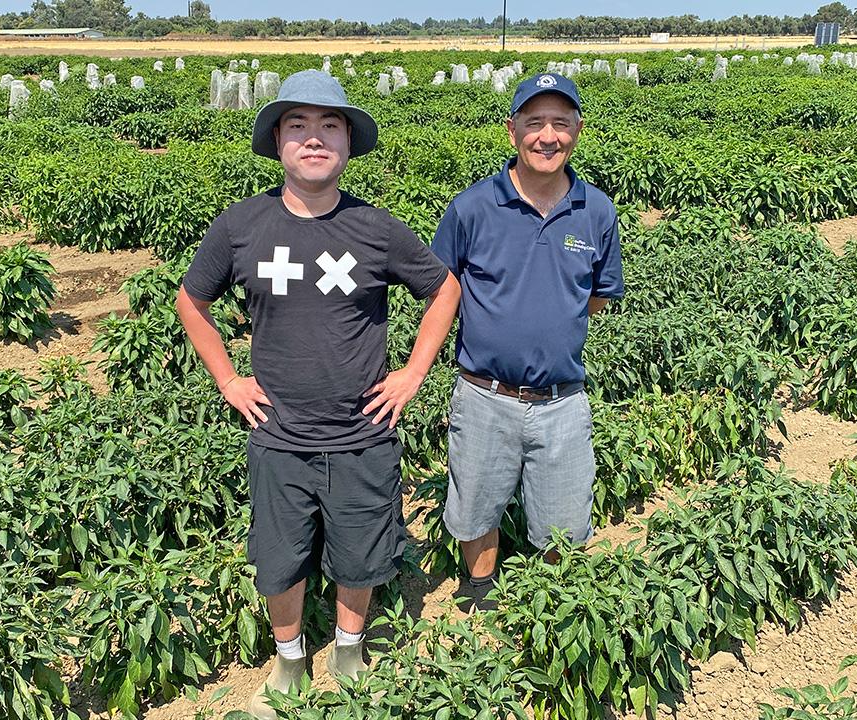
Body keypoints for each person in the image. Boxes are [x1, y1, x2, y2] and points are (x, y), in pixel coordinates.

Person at [175, 70, 460, 717]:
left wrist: (413, 373)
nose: (314, 138)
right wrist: (227, 378)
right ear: (277, 140)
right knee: (279, 560)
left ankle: (350, 649)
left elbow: (443, 290)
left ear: (347, 143)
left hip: (362, 434)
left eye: (330, 125)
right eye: (298, 125)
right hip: (280, 438)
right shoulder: (242, 225)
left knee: (360, 555)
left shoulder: (375, 229)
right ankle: (290, 661)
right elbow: (192, 300)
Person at [430, 72, 623, 603]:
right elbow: (444, 290)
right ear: (512, 130)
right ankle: (480, 590)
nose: (547, 135)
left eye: (561, 123)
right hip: (485, 393)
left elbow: (597, 296)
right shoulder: (472, 207)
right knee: (475, 507)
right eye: (534, 122)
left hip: (562, 400)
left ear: (578, 131)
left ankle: (552, 605)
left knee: (563, 520)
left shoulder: (597, 211)